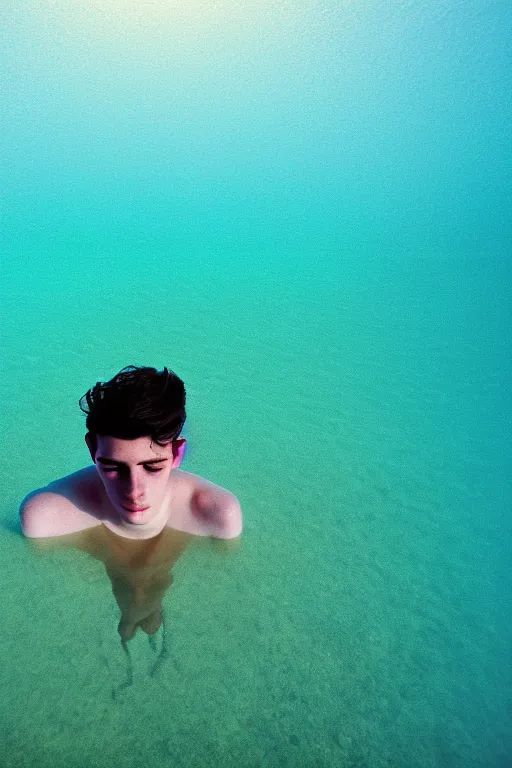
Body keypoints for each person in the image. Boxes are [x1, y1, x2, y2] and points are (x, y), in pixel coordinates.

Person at [20, 365, 243, 542]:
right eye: (113, 467)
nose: (134, 490)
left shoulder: (218, 515)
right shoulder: (42, 518)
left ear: (177, 454)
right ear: (92, 449)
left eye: (152, 467)